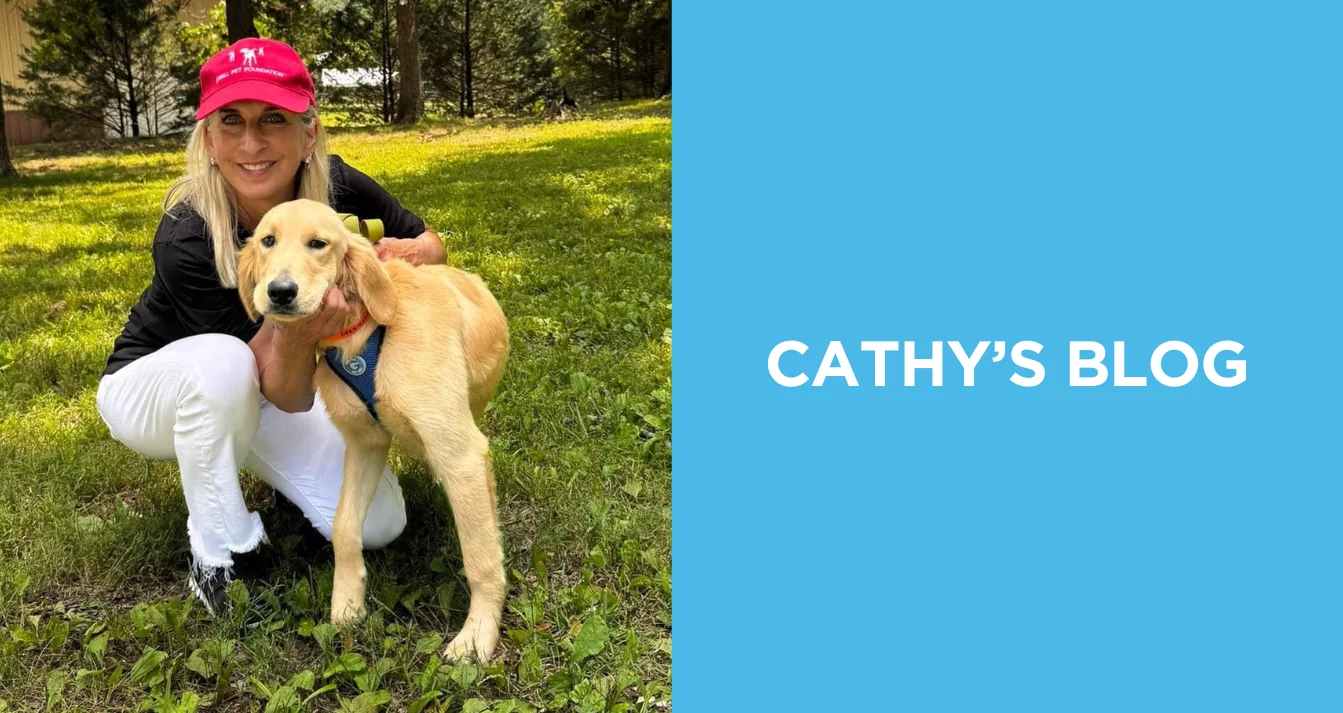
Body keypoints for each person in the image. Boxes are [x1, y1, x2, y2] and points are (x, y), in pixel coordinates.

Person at [94, 38, 447, 615]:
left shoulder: (331, 189)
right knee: (225, 365)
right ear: (208, 139)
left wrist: (380, 262)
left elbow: (429, 242)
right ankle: (219, 551)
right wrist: (302, 328)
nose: (252, 144)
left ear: (308, 135)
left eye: (273, 120)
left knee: (380, 522)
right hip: (158, 390)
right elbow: (279, 387)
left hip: (263, 389)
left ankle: (272, 486)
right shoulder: (187, 236)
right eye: (230, 121)